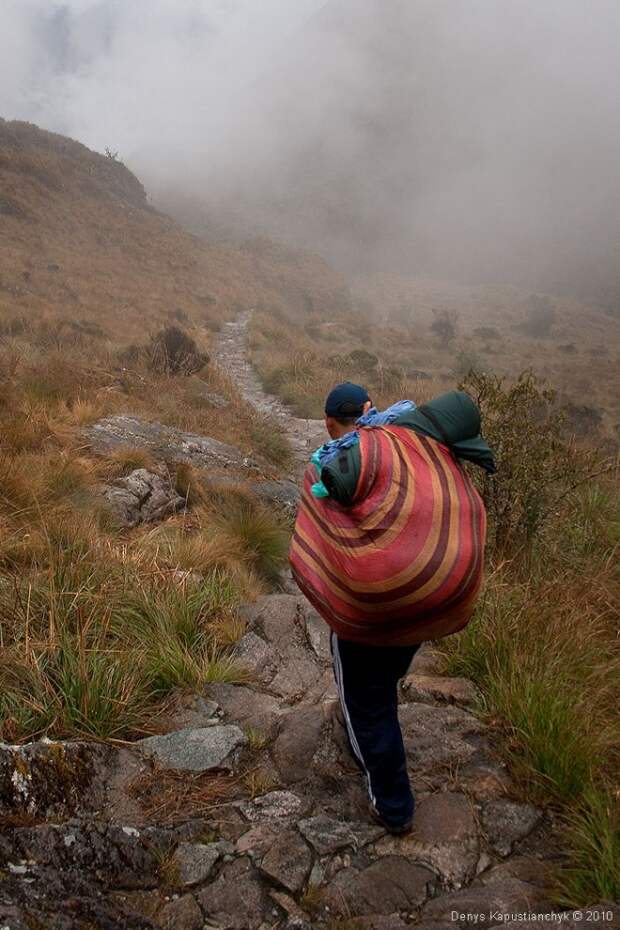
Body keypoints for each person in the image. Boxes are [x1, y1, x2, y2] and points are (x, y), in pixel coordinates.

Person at [289, 382, 495, 834]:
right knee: (385, 674)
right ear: (368, 408)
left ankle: (393, 806)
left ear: (328, 422)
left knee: (367, 705)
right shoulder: (406, 441)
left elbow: (321, 529)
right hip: (423, 606)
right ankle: (378, 705)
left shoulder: (333, 461)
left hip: (369, 614)